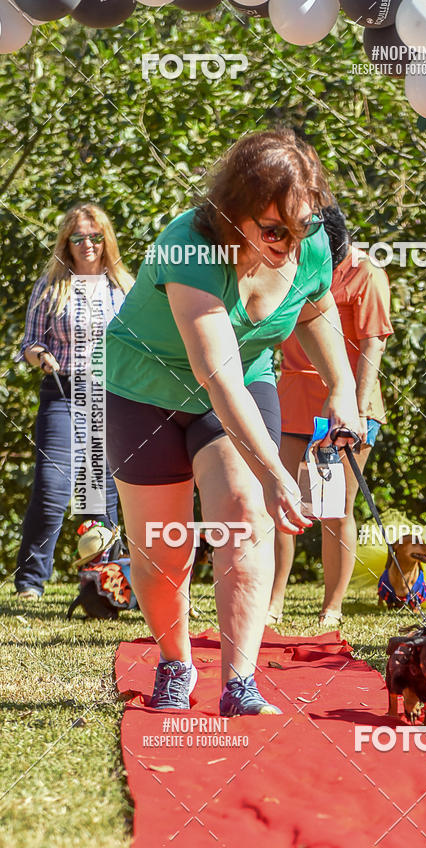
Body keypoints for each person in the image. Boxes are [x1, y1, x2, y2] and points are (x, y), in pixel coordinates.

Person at [103, 129, 361, 714]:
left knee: (245, 516)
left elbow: (314, 306)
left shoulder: (309, 242)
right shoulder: (190, 245)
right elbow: (214, 373)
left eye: (299, 230)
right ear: (232, 213)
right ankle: (175, 662)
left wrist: (342, 385)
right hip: (146, 390)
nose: (287, 245)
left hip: (246, 379)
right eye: (272, 231)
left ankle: (239, 683)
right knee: (162, 548)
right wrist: (276, 471)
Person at [267, 205, 393, 627]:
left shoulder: (367, 272)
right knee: (281, 501)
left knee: (335, 507)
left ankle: (332, 605)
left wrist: (355, 409)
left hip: (350, 407)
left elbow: (373, 344)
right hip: (292, 397)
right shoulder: (288, 265)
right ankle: (273, 601)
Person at [14, 203, 134, 599]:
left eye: (95, 237)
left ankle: (107, 583)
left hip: (109, 394)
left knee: (99, 494)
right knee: (51, 489)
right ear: (66, 242)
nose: (88, 244)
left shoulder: (124, 286)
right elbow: (30, 343)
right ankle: (31, 582)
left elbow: (141, 342)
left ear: (106, 240)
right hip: (62, 392)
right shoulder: (52, 286)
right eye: (78, 238)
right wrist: (39, 357)